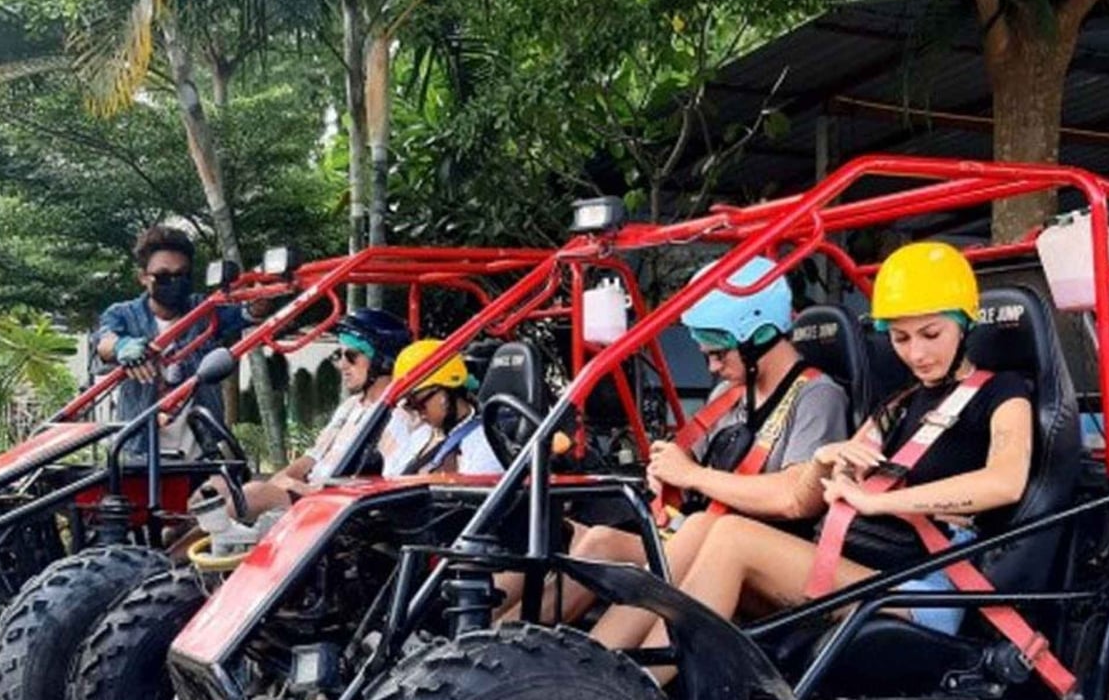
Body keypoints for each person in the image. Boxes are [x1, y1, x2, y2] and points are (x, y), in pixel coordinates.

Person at [592, 241, 1033, 662]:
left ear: (965, 321)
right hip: (864, 559)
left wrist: (882, 500)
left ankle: (631, 690)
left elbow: (1005, 482)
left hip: (923, 584)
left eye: (931, 333)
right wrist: (828, 464)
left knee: (731, 535)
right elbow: (820, 485)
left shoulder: (1003, 392)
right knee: (706, 527)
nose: (916, 353)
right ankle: (600, 666)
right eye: (900, 338)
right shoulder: (898, 404)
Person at [502, 255, 850, 630]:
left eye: (719, 352)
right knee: (593, 540)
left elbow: (794, 498)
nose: (713, 367)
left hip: (756, 556)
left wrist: (692, 476)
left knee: (640, 545)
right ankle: (501, 647)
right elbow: (684, 466)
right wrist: (666, 472)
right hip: (693, 534)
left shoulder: (817, 396)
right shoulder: (729, 393)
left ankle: (592, 670)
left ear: (761, 336)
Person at [204, 308, 412, 518]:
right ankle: (174, 541)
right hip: (312, 495)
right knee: (216, 490)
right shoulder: (351, 406)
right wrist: (282, 479)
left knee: (249, 497)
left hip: (337, 509)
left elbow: (382, 485)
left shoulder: (398, 416)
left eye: (351, 356)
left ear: (383, 361)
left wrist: (294, 488)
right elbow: (311, 457)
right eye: (338, 355)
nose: (342, 365)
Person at [93, 225, 259, 455]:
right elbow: (104, 343)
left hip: (202, 454)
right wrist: (122, 346)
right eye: (163, 276)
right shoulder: (123, 314)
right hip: (140, 453)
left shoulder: (205, 312)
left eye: (182, 274)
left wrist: (263, 287)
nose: (174, 282)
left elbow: (250, 313)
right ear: (143, 277)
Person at [386, 339, 503, 475]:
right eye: (409, 405)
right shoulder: (421, 436)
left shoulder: (485, 444)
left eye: (419, 403)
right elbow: (391, 477)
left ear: (446, 393)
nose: (417, 413)